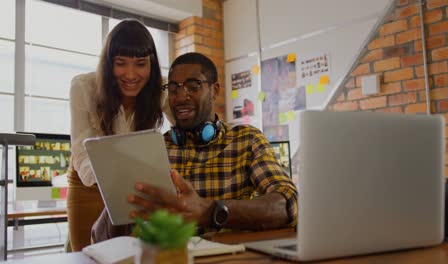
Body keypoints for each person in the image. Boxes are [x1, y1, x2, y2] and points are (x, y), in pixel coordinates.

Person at [91, 52, 298, 242]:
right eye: (173, 89)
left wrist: (208, 211)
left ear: (214, 90)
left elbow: (288, 204)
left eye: (193, 86)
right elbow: (99, 238)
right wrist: (118, 201)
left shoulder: (246, 140)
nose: (181, 97)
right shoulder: (154, 148)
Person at [67, 19, 172, 251]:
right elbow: (82, 155)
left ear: (151, 65)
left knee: (132, 253)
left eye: (141, 64)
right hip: (88, 183)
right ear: (108, 64)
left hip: (136, 183)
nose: (131, 74)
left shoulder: (161, 89)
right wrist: (118, 177)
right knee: (86, 255)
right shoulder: (84, 87)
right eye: (120, 63)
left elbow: (189, 127)